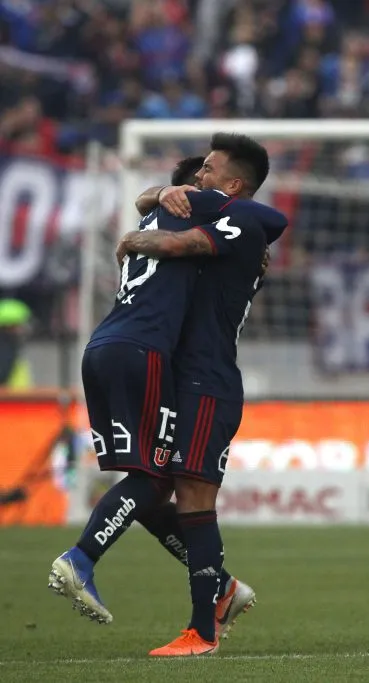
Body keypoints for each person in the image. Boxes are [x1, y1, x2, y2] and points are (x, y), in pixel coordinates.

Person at [48, 135, 286, 657]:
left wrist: (138, 234)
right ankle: (221, 589)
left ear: (232, 185)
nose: (198, 178)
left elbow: (214, 234)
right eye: (195, 172)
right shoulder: (212, 223)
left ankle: (202, 631)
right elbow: (167, 218)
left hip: (207, 381)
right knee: (153, 488)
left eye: (208, 171)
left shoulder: (241, 220)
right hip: (175, 375)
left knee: (192, 497)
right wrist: (157, 194)